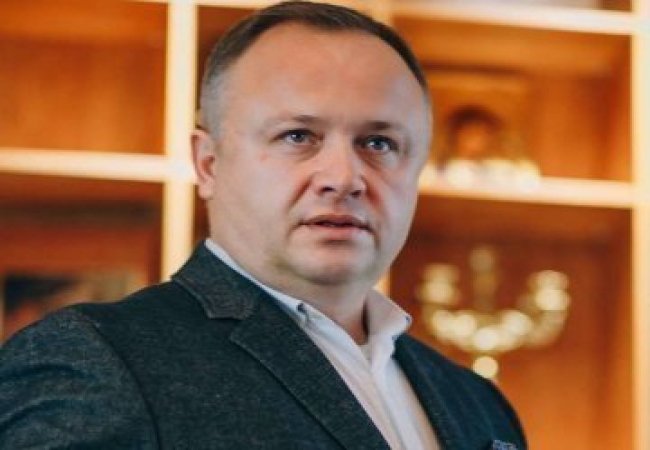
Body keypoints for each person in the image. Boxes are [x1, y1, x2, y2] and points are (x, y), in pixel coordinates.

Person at [0, 2, 526, 449]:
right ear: (208, 164)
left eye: (379, 143)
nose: (344, 177)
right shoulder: (94, 358)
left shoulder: (478, 402)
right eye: (298, 136)